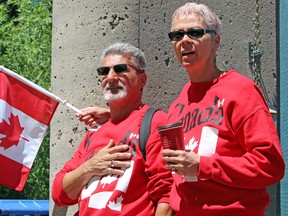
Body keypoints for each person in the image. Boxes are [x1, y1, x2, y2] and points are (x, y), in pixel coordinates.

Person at [76, 2, 285, 216]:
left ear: (216, 41)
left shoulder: (241, 91)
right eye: (177, 35)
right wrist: (112, 116)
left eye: (195, 32)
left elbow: (270, 165)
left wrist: (203, 166)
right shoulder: (178, 105)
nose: (184, 41)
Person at [52, 42, 173, 216]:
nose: (111, 77)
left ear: (142, 79)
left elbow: (167, 196)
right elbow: (60, 194)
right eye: (104, 71)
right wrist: (90, 167)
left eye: (120, 69)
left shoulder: (154, 121)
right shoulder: (92, 136)